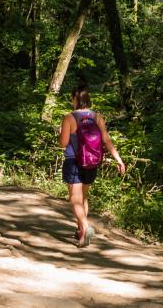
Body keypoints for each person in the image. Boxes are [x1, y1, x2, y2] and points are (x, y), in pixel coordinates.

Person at [59, 86, 125, 247]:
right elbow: (107, 141)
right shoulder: (98, 117)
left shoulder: (69, 118)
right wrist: (119, 160)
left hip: (73, 161)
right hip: (92, 161)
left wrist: (60, 132)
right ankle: (80, 230)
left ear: (75, 99)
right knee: (83, 197)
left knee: (75, 198)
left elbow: (63, 143)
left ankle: (86, 228)